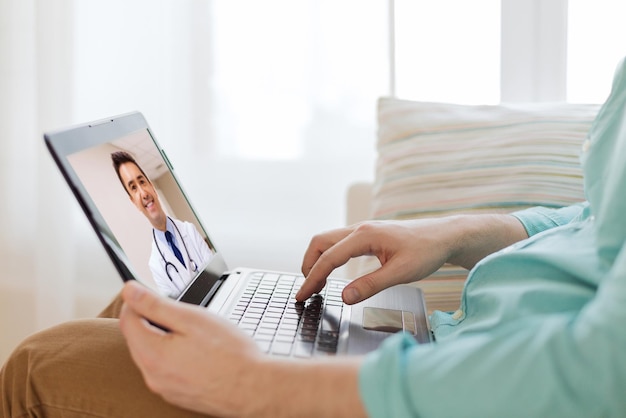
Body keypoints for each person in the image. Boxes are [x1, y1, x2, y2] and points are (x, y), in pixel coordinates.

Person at [3, 59, 626, 417]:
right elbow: (599, 221)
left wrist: (257, 382)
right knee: (145, 313)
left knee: (43, 361)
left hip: (459, 386)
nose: (141, 196)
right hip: (458, 350)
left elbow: (599, 377)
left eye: (145, 185)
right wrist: (457, 232)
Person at [111, 151, 213, 297]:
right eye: (133, 188)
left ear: (152, 186)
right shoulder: (156, 265)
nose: (143, 193)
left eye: (142, 182)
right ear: (133, 202)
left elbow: (218, 276)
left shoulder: (189, 230)